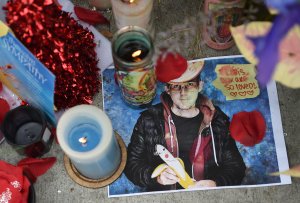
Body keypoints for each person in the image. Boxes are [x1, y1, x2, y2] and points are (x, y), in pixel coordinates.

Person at [124, 60, 246, 191]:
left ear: (200, 86)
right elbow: (131, 165)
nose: (183, 93)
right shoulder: (148, 119)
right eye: (177, 86)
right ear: (167, 89)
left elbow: (236, 167)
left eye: (190, 84)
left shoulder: (218, 121)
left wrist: (215, 184)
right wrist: (156, 177)